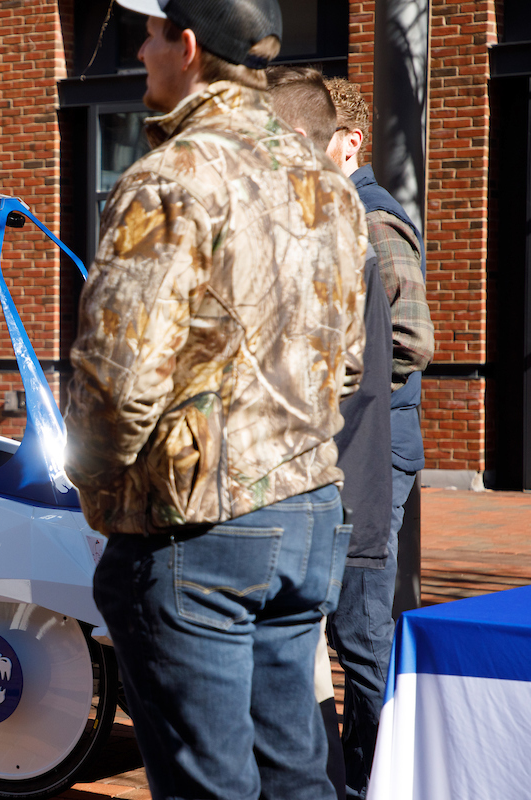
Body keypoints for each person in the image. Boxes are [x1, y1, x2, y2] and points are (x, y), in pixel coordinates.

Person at [63, 0, 368, 797]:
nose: (138, 49)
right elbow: (350, 361)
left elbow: (116, 380)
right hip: (308, 512)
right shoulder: (327, 184)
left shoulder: (173, 176)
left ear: (188, 46)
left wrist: (96, 492)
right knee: (295, 772)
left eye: (150, 33)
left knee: (210, 784)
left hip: (198, 526)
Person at [268, 64, 395, 800]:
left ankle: (367, 778)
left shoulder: (348, 232)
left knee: (350, 647)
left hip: (334, 485)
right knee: (323, 652)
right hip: (338, 482)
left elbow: (381, 362)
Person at [324, 75, 435, 800]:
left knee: (361, 622)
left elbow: (409, 340)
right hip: (359, 438)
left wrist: (326, 394)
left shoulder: (371, 222)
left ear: (351, 141)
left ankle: (379, 778)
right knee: (349, 617)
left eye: (309, 141)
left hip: (373, 442)